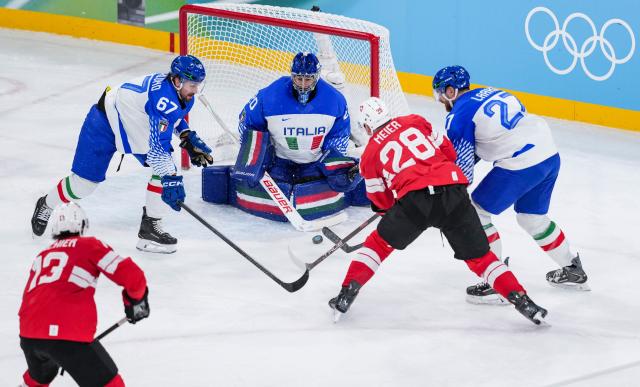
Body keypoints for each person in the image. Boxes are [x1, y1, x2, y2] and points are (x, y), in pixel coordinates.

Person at [329, 97, 548, 325]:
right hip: (453, 190)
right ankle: (524, 302)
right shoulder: (415, 120)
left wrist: (394, 211)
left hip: (414, 201)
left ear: (366, 126)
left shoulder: (369, 155)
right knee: (481, 258)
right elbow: (449, 153)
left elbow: (381, 201)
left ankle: (346, 295)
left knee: (377, 245)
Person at [432, 65, 589, 304]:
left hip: (522, 162)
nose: (441, 99)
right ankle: (573, 269)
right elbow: (491, 138)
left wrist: (446, 190)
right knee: (531, 218)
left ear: (451, 91)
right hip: (548, 154)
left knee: (476, 212)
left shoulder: (458, 115)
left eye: (442, 93)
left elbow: (463, 168)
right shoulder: (493, 92)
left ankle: (495, 282)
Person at [30, 55, 214, 253]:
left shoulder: (181, 94)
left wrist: (187, 136)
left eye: (198, 85)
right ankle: (46, 203)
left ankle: (149, 229)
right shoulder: (162, 96)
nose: (195, 91)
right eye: (192, 85)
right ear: (177, 81)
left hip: (134, 125)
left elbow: (172, 117)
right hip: (104, 123)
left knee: (165, 170)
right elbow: (159, 145)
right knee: (83, 186)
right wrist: (172, 179)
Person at [19, 203, 150, 387]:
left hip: (29, 333)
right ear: (82, 225)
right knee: (111, 384)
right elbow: (133, 278)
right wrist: (135, 301)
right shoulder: (89, 246)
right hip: (68, 333)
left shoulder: (42, 255)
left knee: (39, 377)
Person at [229, 51, 363, 221]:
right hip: (279, 161)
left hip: (314, 162)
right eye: (299, 78)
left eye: (308, 79)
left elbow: (339, 135)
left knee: (341, 179)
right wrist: (258, 158)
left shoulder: (335, 100)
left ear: (317, 77)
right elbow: (248, 125)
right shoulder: (269, 96)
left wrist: (332, 162)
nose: (303, 84)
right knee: (253, 180)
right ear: (292, 75)